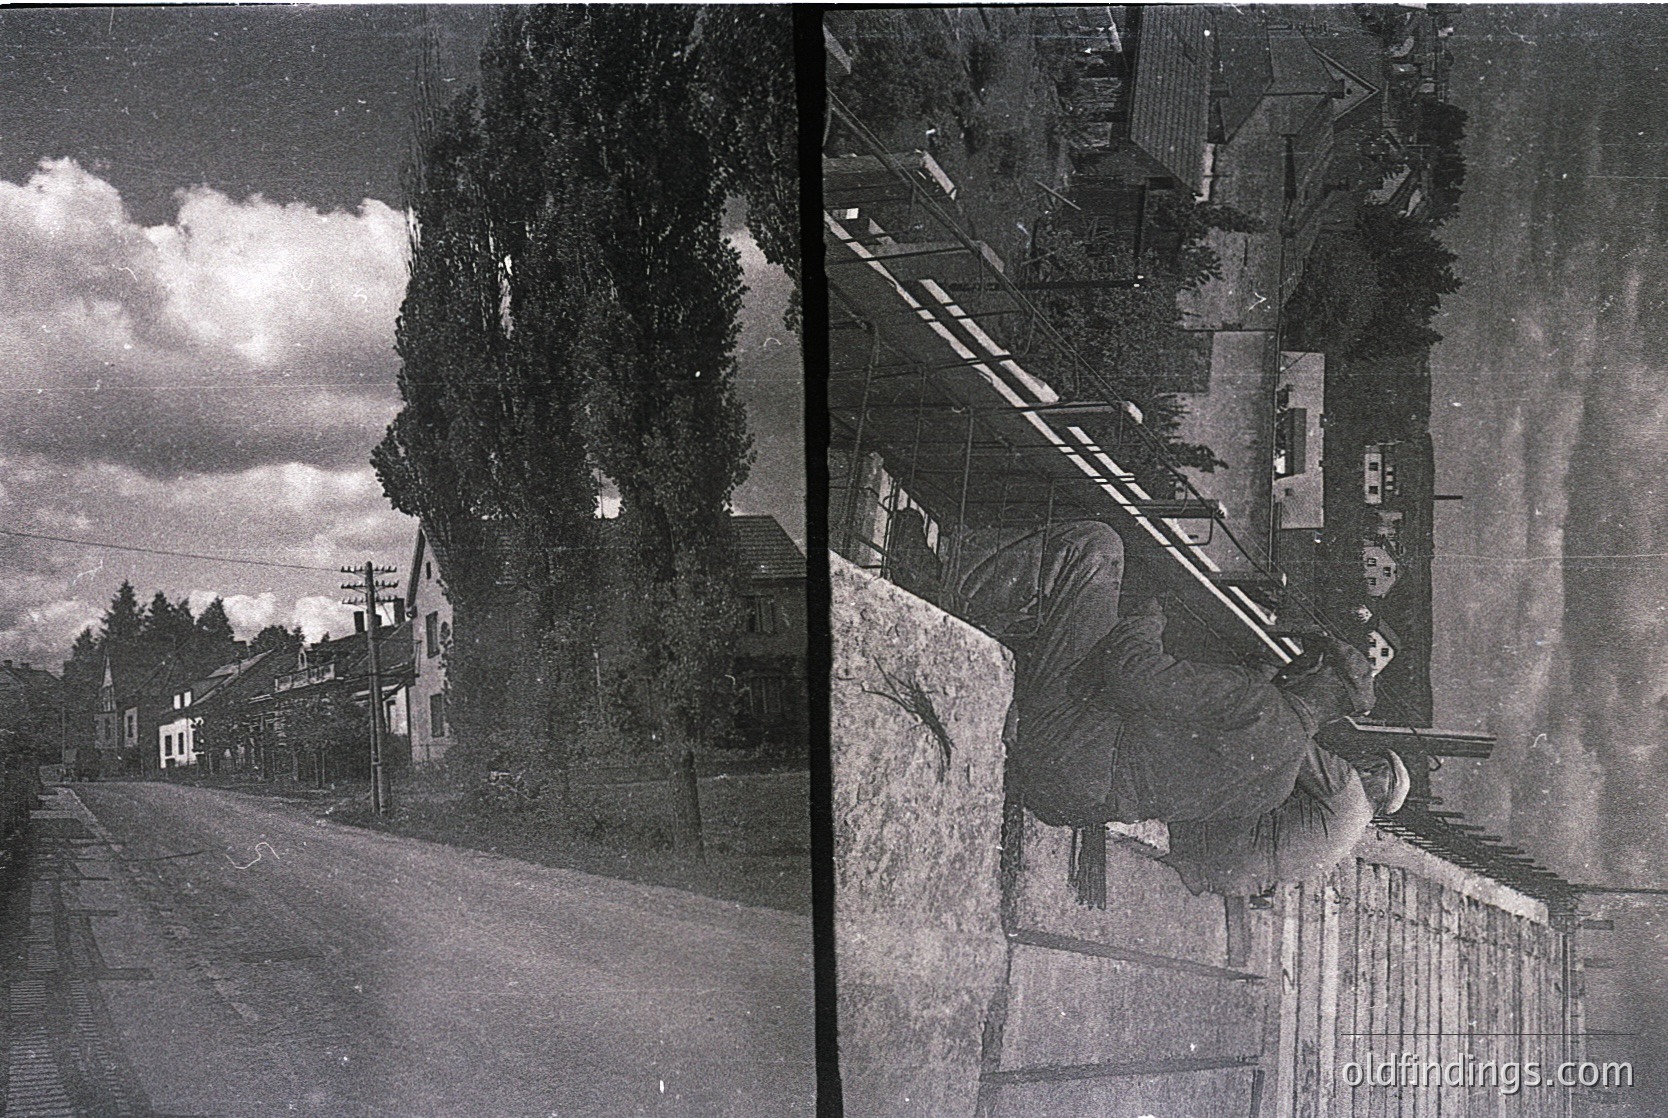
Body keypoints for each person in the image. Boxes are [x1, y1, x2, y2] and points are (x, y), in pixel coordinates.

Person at [948, 519, 1409, 894]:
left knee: (1095, 545)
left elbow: (1128, 669)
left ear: (1314, 673)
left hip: (1059, 746)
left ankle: (949, 572)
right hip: (1070, 803)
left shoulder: (1259, 704)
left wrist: (1152, 607)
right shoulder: (1280, 783)